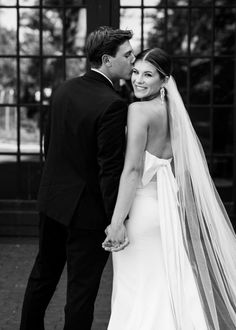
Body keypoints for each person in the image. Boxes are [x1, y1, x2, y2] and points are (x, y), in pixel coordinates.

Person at [103, 48, 236, 329]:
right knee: (164, 285)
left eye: (148, 75)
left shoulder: (137, 110)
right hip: (165, 211)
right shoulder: (173, 113)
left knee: (136, 291)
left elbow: (133, 170)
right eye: (136, 72)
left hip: (139, 212)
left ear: (164, 81)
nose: (138, 80)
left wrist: (116, 223)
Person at [20, 26, 135, 330]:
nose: (134, 60)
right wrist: (117, 219)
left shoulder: (63, 90)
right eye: (128, 54)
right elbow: (108, 170)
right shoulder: (113, 104)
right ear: (107, 60)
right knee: (81, 293)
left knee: (43, 275)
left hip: (53, 202)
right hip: (87, 213)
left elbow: (49, 146)